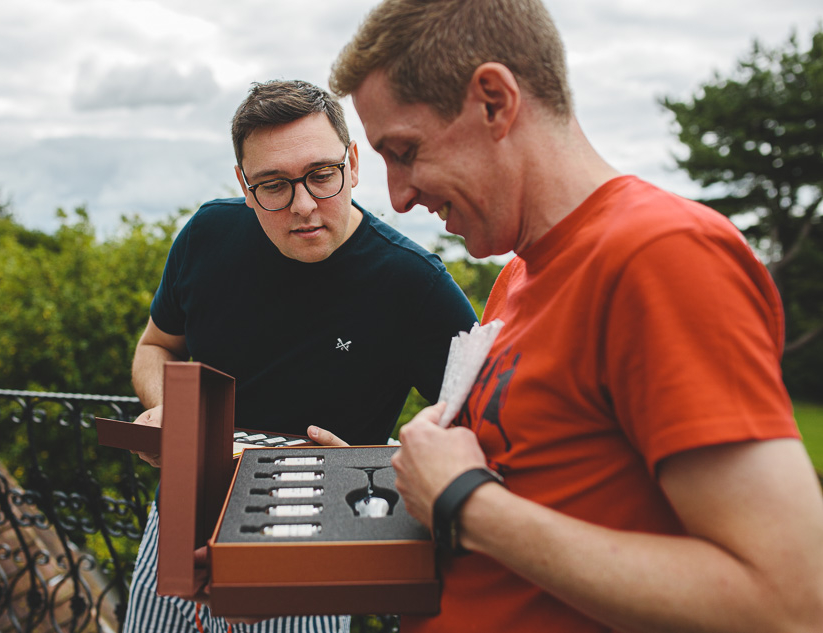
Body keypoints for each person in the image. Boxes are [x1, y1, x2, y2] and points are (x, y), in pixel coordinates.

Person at [329, 1, 823, 631]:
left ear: (493, 102)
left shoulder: (662, 255)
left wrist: (464, 503)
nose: (397, 197)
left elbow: (787, 603)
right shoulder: (518, 273)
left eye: (404, 151)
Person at [122, 79, 478, 633]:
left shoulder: (415, 285)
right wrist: (169, 412)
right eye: (273, 186)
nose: (304, 206)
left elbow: (485, 434)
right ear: (244, 185)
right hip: (180, 516)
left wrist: (372, 470)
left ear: (353, 165)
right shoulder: (208, 235)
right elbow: (156, 346)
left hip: (313, 542)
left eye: (321, 175)